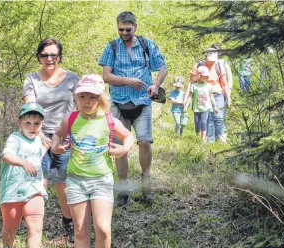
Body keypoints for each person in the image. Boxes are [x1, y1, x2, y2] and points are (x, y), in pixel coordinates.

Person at [52, 74, 134, 248]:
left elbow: (127, 136)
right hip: (76, 180)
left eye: (92, 97)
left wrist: (124, 149)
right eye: (82, 96)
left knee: (103, 229)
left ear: (101, 99)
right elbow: (58, 134)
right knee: (80, 230)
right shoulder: (72, 119)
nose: (87, 101)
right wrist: (56, 146)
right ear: (77, 98)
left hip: (101, 180)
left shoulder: (108, 120)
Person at [99, 11, 168, 206]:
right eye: (120, 29)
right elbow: (106, 76)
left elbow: (162, 68)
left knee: (144, 142)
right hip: (119, 103)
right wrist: (127, 81)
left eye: (128, 29)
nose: (124, 33)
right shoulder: (111, 47)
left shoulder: (147, 45)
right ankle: (123, 191)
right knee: (120, 148)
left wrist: (155, 85)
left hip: (143, 102)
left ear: (135, 28)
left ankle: (146, 185)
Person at [22, 38, 80, 242]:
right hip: (37, 137)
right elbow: (30, 110)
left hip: (65, 136)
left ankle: (69, 224)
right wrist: (42, 137)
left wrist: (70, 136)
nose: (49, 58)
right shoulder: (31, 79)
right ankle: (35, 230)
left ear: (60, 56)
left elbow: (80, 109)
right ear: (39, 57)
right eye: (45, 55)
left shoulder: (73, 78)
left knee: (63, 183)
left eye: (53, 54)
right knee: (39, 183)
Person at [0, 102, 48, 248]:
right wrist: (23, 163)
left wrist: (55, 147)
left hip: (34, 190)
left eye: (36, 124)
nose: (32, 127)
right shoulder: (15, 138)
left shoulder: (40, 141)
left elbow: (42, 156)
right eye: (27, 123)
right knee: (10, 228)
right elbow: (6, 155)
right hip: (12, 191)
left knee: (35, 228)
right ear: (20, 122)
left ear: (41, 124)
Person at [185, 44, 232, 144]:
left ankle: (221, 140)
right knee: (208, 120)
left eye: (213, 60)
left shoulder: (219, 65)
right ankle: (209, 141)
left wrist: (228, 97)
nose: (211, 62)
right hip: (203, 95)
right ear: (206, 57)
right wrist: (186, 100)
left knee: (218, 117)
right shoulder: (198, 66)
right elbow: (191, 83)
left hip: (217, 94)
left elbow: (224, 84)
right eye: (210, 60)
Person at [183, 66, 218, 143]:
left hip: (206, 108)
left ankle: (203, 139)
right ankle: (197, 136)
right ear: (199, 75)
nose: (206, 77)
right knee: (197, 124)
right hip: (196, 108)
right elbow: (190, 97)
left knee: (203, 122)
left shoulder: (209, 86)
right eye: (204, 76)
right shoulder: (194, 86)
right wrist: (186, 106)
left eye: (207, 76)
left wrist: (215, 106)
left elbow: (211, 96)